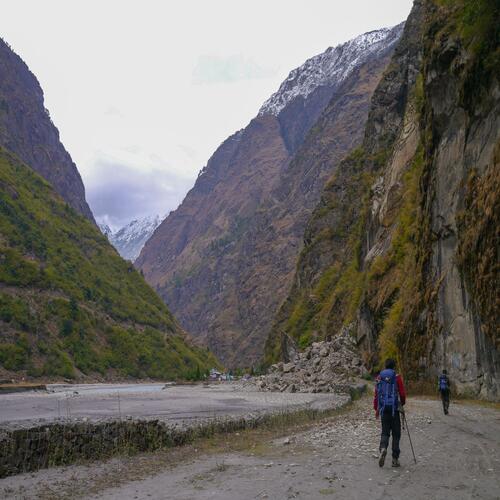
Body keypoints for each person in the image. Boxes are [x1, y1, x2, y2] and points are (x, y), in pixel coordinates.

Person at [374, 358, 406, 468]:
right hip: (394, 409)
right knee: (396, 434)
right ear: (394, 367)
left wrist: (377, 409)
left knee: (385, 432)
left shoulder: (380, 377)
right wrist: (402, 403)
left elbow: (376, 394)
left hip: (384, 409)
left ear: (385, 366)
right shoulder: (397, 378)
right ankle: (395, 459)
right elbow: (402, 394)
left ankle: (383, 448)